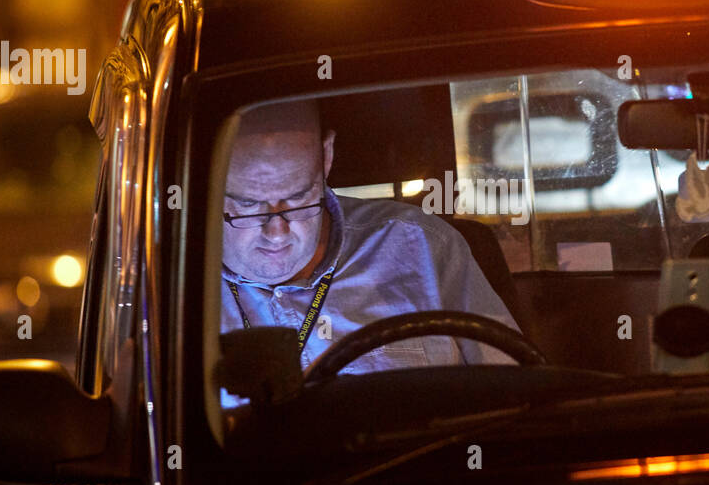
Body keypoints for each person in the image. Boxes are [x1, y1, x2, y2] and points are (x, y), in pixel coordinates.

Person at [220, 100, 518, 391]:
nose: (276, 232)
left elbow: (514, 401)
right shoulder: (178, 288)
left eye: (298, 197)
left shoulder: (421, 245)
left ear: (326, 155)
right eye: (248, 204)